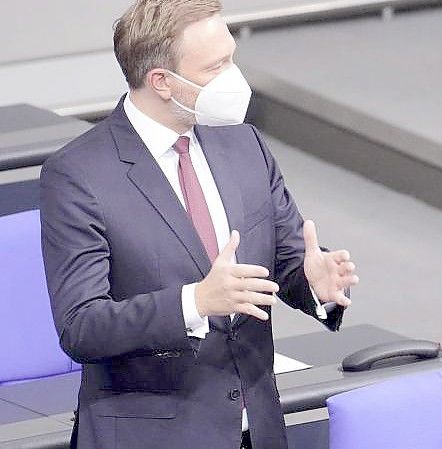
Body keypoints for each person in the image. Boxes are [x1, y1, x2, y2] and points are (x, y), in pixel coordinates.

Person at [39, 1, 359, 448]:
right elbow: (82, 326)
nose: (234, 77)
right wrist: (194, 302)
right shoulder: (78, 175)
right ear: (162, 82)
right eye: (217, 66)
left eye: (231, 57)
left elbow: (286, 261)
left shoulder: (243, 143)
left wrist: (316, 285)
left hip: (256, 431)